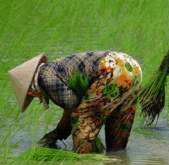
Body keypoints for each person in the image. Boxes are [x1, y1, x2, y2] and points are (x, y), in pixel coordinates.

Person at [8, 51, 142, 154]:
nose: (35, 97)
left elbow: (72, 106)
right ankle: (119, 164)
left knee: (82, 118)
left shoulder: (45, 77)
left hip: (113, 70)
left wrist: (59, 131)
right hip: (132, 68)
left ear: (30, 91)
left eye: (31, 96)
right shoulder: (54, 68)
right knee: (117, 119)